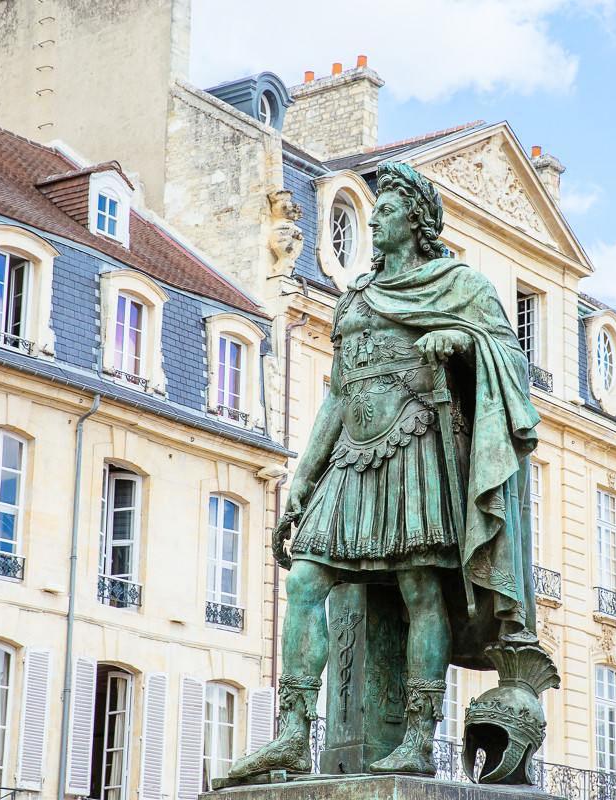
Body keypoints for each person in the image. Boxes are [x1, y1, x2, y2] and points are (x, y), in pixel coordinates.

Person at [228, 162, 544, 780]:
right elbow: (337, 397)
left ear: (418, 220)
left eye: (389, 208)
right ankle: (294, 731)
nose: (375, 219)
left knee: (421, 592)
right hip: (352, 455)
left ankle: (420, 738)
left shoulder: (460, 285)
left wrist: (459, 342)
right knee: (303, 582)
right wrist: (302, 479)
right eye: (376, 209)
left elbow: (510, 360)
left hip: (416, 446)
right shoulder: (357, 298)